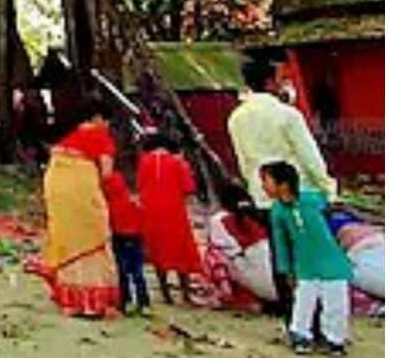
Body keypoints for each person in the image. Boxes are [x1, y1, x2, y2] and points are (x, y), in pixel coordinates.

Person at [228, 58, 336, 322]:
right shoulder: (287, 115)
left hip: (263, 197)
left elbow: (244, 162)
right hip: (297, 195)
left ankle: (293, 318)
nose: (283, 83)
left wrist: (256, 190)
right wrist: (328, 188)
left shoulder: (236, 118)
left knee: (281, 258)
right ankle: (314, 319)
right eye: (279, 79)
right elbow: (310, 157)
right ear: (269, 83)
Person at [32, 97, 120, 318]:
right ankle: (92, 302)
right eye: (106, 121)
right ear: (98, 118)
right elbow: (107, 173)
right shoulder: (100, 135)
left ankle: (70, 301)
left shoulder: (67, 138)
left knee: (68, 236)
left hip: (55, 188)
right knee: (93, 238)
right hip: (82, 188)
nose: (107, 125)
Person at [261, 161, 352, 357]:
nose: (263, 187)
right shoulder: (277, 211)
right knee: (304, 301)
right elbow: (281, 243)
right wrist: (285, 269)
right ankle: (301, 335)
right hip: (305, 263)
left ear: (283, 184)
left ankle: (335, 339)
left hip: (332, 261)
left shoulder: (313, 199)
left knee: (336, 302)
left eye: (266, 181)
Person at [136, 133, 204, 305]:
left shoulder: (144, 162)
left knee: (158, 250)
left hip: (151, 212)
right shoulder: (178, 162)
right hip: (175, 212)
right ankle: (185, 293)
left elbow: (140, 186)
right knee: (181, 251)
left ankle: (165, 292)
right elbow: (189, 188)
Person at [203, 183, 277, 313]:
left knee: (213, 254)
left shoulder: (219, 219)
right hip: (279, 282)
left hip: (254, 276)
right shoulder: (258, 215)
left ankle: (236, 297)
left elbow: (226, 248)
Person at [103, 171, 149, 315]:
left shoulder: (109, 206)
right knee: (138, 273)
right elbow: (143, 221)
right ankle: (143, 302)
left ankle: (125, 301)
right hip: (135, 239)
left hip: (119, 238)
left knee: (122, 273)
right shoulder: (133, 203)